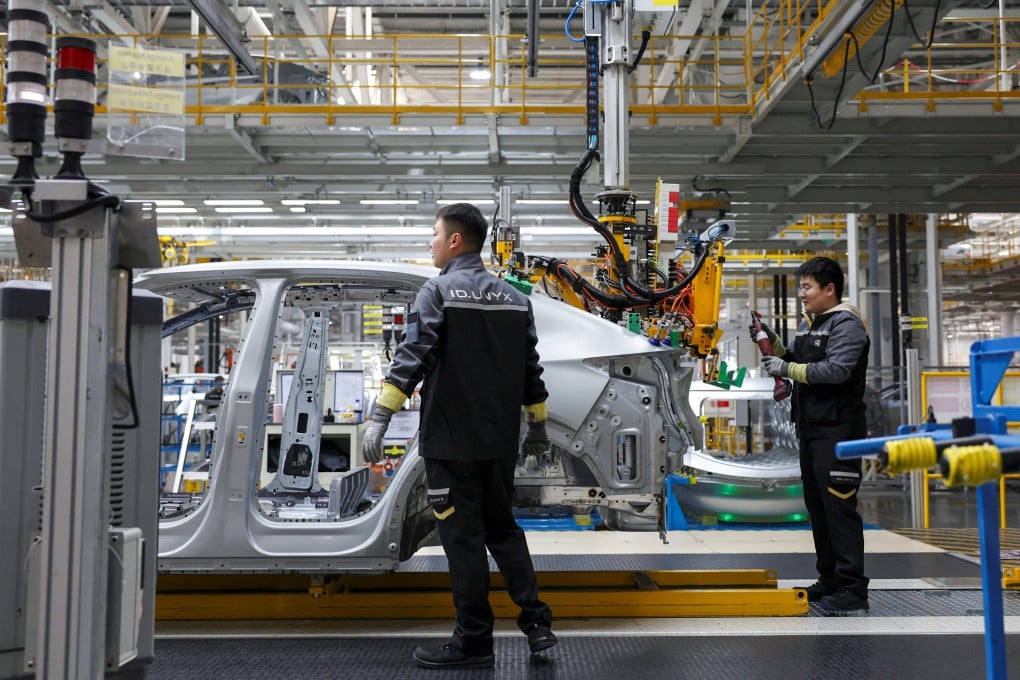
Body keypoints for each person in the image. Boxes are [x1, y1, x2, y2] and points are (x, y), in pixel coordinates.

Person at [362, 202, 556, 669]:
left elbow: (413, 354)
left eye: (433, 234)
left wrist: (380, 415)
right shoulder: (515, 300)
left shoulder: (439, 291)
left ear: (454, 241)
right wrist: (538, 427)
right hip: (498, 442)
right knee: (504, 530)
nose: (429, 242)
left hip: (450, 443)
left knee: (464, 541)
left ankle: (474, 641)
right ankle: (538, 626)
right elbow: (532, 372)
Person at [754, 256, 871, 616]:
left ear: (829, 289)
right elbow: (797, 358)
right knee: (819, 510)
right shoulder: (811, 326)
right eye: (801, 287)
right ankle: (831, 579)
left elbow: (834, 370)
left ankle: (853, 587)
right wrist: (774, 344)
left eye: (807, 287)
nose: (801, 294)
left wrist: (786, 367)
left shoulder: (846, 325)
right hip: (812, 430)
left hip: (838, 433)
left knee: (839, 510)